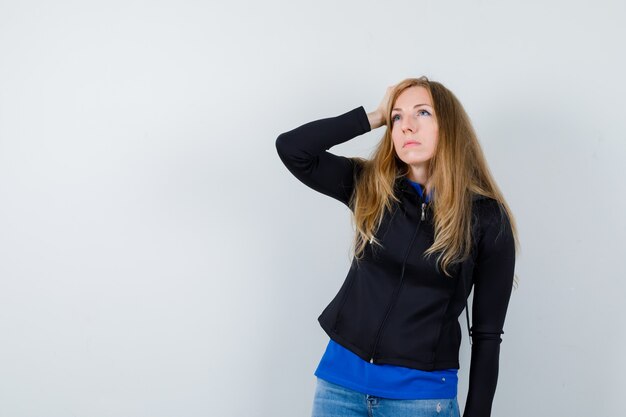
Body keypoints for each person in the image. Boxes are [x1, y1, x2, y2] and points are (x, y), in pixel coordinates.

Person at [275, 76, 519, 417]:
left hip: (420, 401)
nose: (407, 127)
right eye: (398, 117)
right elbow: (293, 149)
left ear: (448, 126)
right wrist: (374, 115)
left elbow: (488, 335)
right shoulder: (372, 188)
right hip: (339, 391)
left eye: (422, 113)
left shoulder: (486, 218)